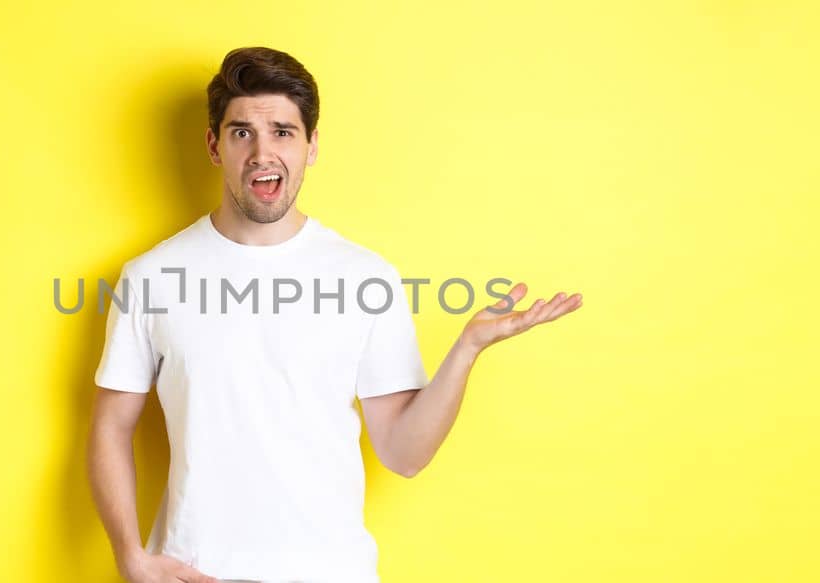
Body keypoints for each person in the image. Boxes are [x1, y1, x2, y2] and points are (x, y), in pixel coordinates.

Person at [86, 46, 583, 583]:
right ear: (214, 144)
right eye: (241, 133)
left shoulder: (367, 278)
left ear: (311, 145)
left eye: (282, 132)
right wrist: (130, 556)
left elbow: (403, 453)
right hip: (195, 571)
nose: (261, 153)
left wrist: (466, 350)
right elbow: (111, 425)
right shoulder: (152, 277)